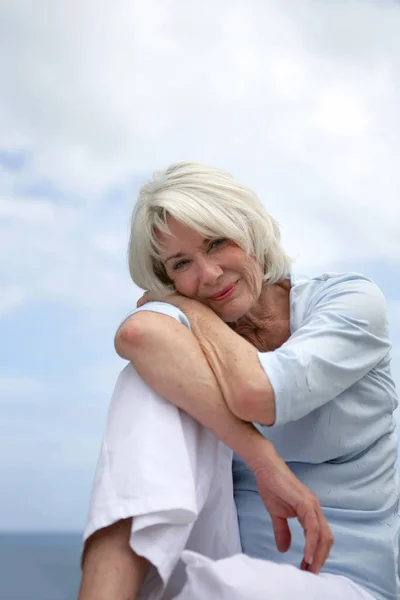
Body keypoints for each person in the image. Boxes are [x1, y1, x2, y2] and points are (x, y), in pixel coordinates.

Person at [78, 162, 399, 600]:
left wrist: (190, 310)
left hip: (341, 579)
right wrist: (262, 458)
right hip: (224, 557)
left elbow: (257, 395)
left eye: (216, 242)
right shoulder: (189, 311)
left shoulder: (349, 301)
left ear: (250, 232)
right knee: (145, 378)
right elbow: (136, 333)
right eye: (182, 263)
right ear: (168, 279)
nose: (208, 275)